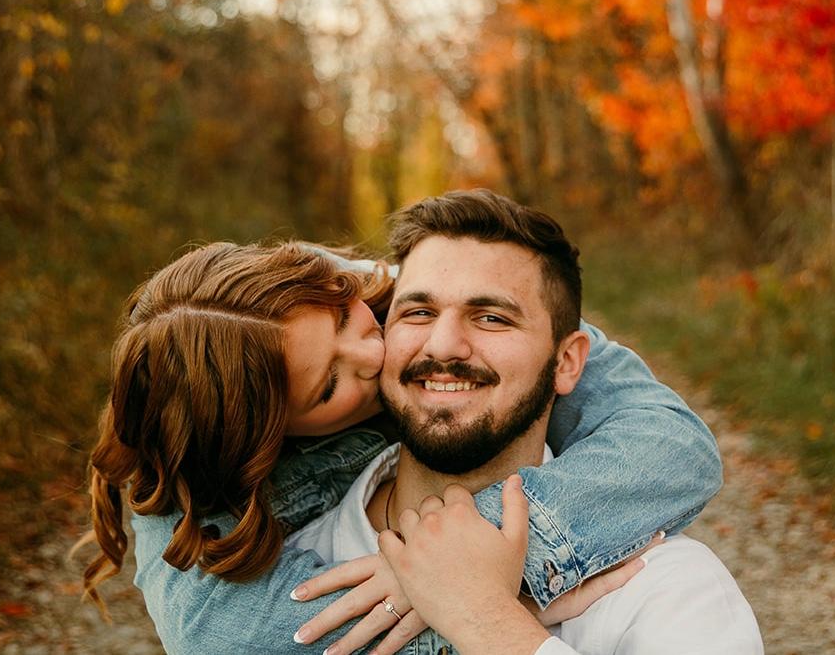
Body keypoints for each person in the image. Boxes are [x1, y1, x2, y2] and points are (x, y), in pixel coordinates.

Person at [84, 201, 723, 654]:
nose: (375, 352)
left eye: (346, 320)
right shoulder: (209, 509)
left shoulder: (382, 292)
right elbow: (224, 637)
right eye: (328, 386)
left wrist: (460, 562)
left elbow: (673, 448)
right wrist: (463, 602)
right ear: (275, 439)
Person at [289, 189, 762, 655]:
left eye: (491, 318)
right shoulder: (294, 566)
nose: (443, 345)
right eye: (419, 312)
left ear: (567, 362)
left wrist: (489, 620)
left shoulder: (667, 589)